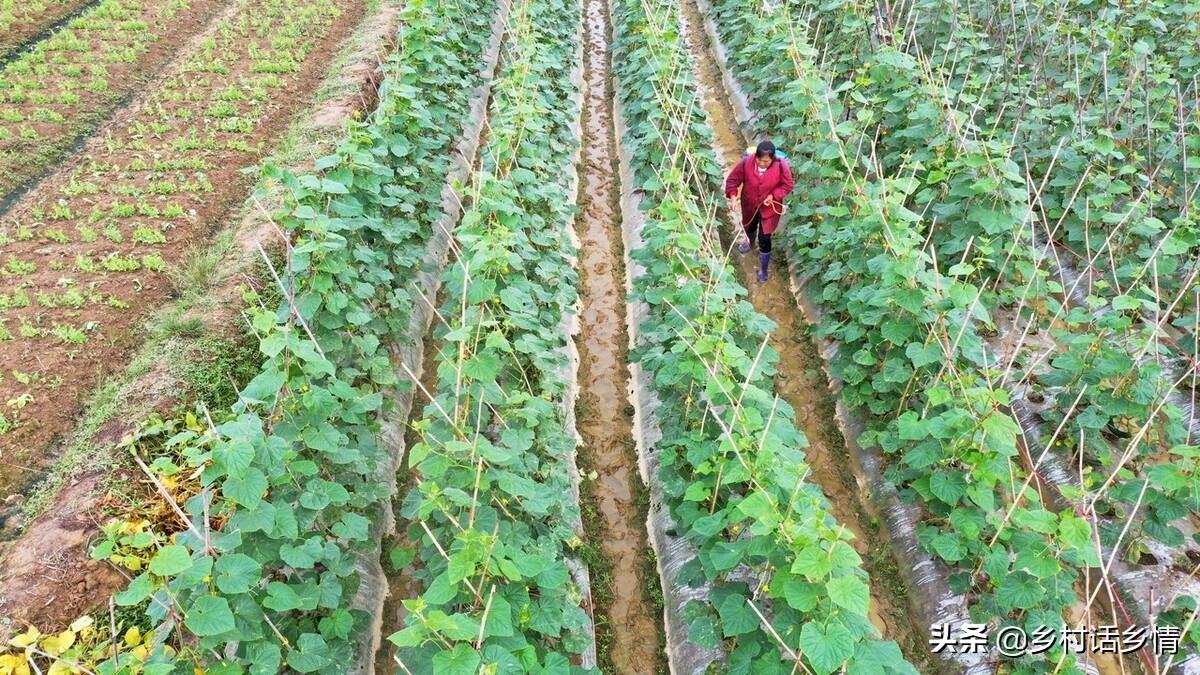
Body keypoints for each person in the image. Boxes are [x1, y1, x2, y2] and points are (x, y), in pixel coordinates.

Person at [725, 140, 794, 282]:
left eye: (766, 161)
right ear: (755, 156)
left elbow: (787, 185)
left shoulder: (781, 165)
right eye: (759, 160)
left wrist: (773, 195)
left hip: (769, 208)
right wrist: (733, 197)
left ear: (773, 158)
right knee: (749, 226)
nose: (762, 163)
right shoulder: (746, 163)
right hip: (749, 203)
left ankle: (763, 269)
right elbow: (733, 180)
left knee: (765, 238)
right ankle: (750, 242)